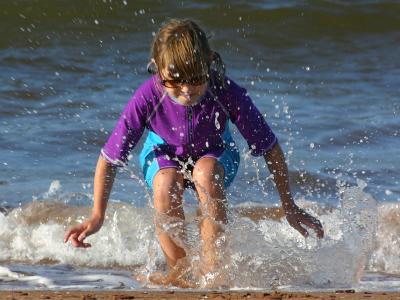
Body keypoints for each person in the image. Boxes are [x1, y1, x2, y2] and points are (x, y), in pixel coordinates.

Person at [64, 18, 324, 286]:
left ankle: (213, 273)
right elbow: (109, 159)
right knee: (166, 183)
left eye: (197, 79)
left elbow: (270, 148)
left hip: (216, 154)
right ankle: (179, 274)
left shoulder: (225, 91)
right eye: (174, 80)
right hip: (161, 154)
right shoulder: (148, 97)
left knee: (206, 173)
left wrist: (289, 206)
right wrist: (97, 215)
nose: (187, 90)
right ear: (156, 67)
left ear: (210, 62)